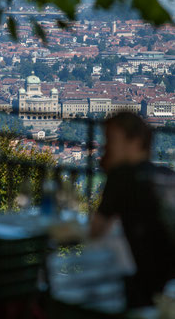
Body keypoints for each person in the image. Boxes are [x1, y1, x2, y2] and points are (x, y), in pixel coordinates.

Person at [90, 112, 175, 308]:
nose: (106, 147)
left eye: (111, 140)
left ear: (135, 142)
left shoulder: (122, 178)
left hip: (147, 286)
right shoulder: (167, 175)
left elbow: (95, 231)